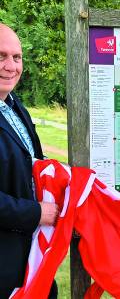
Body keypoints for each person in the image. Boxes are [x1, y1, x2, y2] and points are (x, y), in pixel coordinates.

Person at [0, 23, 59, 298]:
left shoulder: (15, 105)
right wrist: (37, 213)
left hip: (33, 261)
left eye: (16, 57)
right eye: (0, 56)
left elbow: (32, 161)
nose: (10, 66)